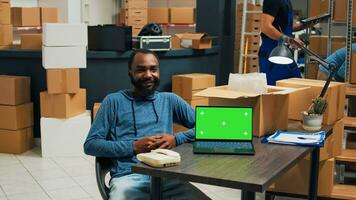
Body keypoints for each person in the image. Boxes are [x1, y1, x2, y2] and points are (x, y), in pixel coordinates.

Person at [83, 49, 209, 200]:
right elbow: (91, 145)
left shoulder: (170, 100)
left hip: (168, 177)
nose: (148, 75)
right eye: (141, 70)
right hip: (128, 179)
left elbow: (208, 128)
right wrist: (134, 146)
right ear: (130, 72)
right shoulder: (113, 101)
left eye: (153, 69)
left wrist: (177, 139)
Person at [259, 0, 307, 85]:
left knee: (295, 86)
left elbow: (284, 25)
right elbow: (265, 27)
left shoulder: (286, 2)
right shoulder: (273, 1)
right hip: (272, 54)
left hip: (285, 53)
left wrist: (305, 25)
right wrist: (289, 40)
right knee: (276, 91)